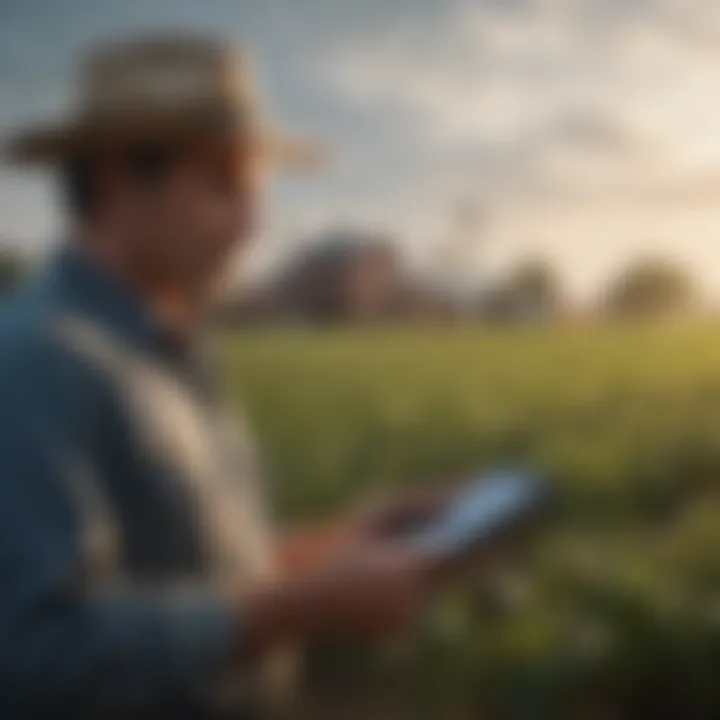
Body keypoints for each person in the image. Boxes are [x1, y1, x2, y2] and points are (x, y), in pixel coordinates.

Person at [0, 35, 450, 719]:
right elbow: (37, 654)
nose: (252, 226)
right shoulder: (36, 361)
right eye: (224, 188)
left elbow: (198, 570)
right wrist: (301, 608)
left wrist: (342, 538)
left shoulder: (169, 353)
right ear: (120, 181)